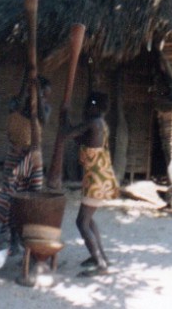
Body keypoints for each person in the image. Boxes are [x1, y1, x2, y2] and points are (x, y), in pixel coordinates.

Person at [0, 73, 51, 254]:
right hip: (15, 155)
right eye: (41, 93)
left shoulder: (44, 108)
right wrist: (29, 87)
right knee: (10, 195)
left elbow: (42, 118)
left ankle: (27, 241)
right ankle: (11, 239)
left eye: (45, 95)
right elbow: (17, 105)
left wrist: (38, 97)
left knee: (30, 198)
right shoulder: (14, 103)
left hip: (33, 158)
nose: (44, 98)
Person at [62, 91, 120, 277]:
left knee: (82, 222)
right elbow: (80, 138)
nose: (85, 109)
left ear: (93, 106)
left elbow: (68, 134)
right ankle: (100, 255)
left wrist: (64, 117)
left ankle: (101, 264)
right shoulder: (99, 124)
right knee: (88, 219)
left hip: (96, 180)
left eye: (87, 106)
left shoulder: (93, 122)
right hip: (99, 178)